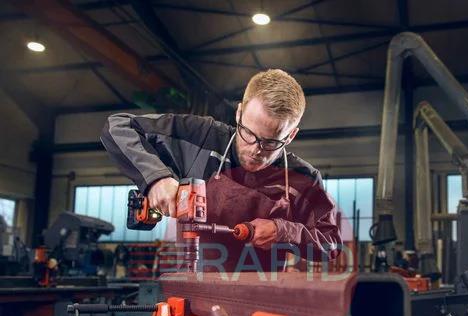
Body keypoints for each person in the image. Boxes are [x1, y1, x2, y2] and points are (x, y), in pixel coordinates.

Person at [101, 69, 341, 272]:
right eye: (248, 133)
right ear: (239, 113)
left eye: (270, 142)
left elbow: (331, 244)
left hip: (260, 299)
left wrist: (283, 231)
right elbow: (118, 127)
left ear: (290, 136)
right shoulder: (201, 137)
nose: (255, 150)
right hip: (190, 290)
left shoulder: (304, 179)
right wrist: (156, 178)